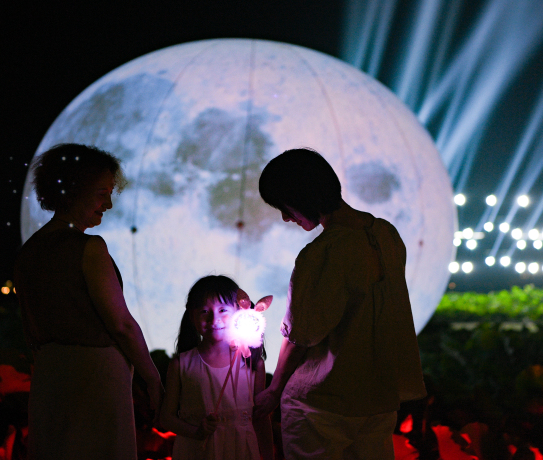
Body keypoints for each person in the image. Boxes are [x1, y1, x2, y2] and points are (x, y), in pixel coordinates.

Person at [254, 148, 427, 460]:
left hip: (321, 406)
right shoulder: (386, 234)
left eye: (285, 206)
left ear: (300, 196)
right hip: (377, 400)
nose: (285, 217)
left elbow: (300, 336)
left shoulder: (323, 252)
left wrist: (274, 391)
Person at [14, 143, 164, 460]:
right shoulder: (89, 247)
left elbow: (30, 329)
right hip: (94, 377)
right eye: (101, 193)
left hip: (49, 376)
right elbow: (120, 323)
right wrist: (152, 378)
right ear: (74, 190)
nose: (108, 203)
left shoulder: (28, 253)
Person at [160, 275, 274, 460]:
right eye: (205, 311)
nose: (215, 318)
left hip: (240, 449)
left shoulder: (252, 364)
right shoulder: (182, 365)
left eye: (223, 309)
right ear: (192, 316)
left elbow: (261, 417)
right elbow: (167, 417)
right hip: (197, 450)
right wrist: (196, 431)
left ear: (239, 311)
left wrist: (269, 455)